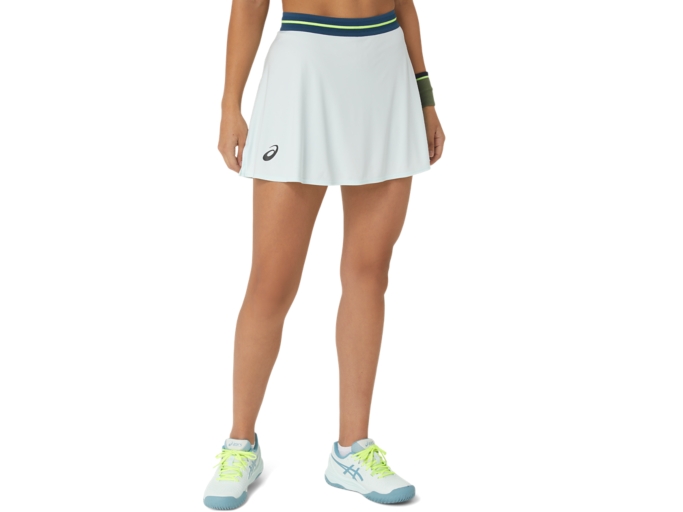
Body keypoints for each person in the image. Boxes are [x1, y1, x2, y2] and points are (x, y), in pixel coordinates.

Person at [203, 0, 445, 508]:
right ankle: (240, 443)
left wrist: (426, 98)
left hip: (385, 71)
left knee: (369, 274)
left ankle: (352, 449)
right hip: (302, 69)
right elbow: (250, 3)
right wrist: (230, 103)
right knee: (271, 281)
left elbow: (403, 3)